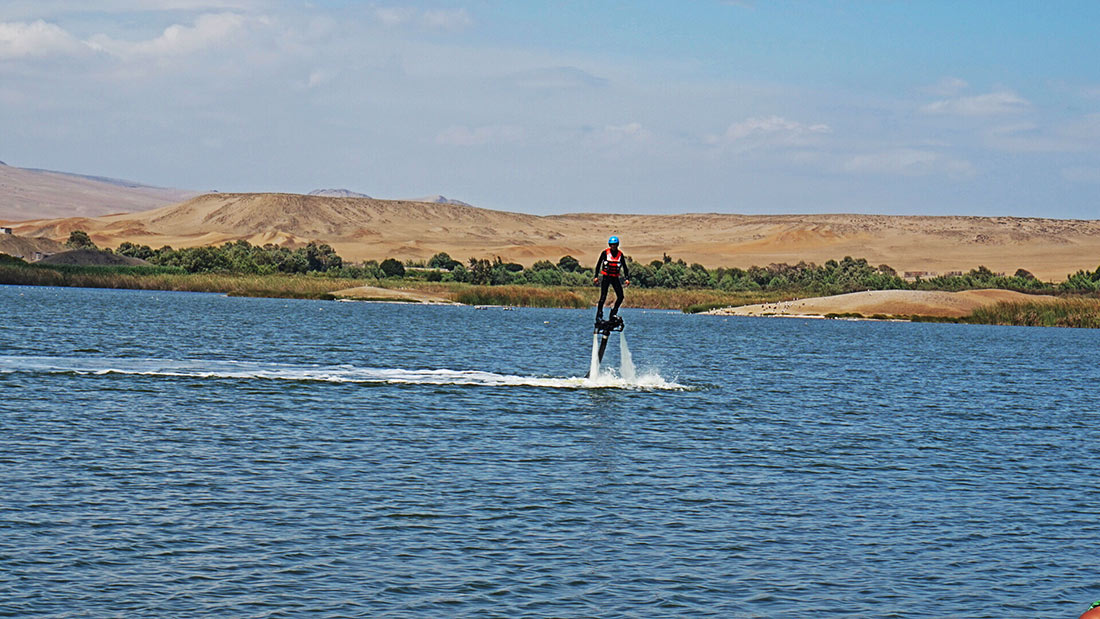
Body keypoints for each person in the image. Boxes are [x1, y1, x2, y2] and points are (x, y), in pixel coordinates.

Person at [593, 235, 630, 321]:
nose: (613, 246)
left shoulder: (620, 254)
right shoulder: (605, 253)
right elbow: (598, 265)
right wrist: (596, 276)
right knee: (603, 297)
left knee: (620, 296)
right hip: (606, 277)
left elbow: (624, 267)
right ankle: (599, 314)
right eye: (612, 245)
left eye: (615, 244)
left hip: (615, 278)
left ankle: (613, 313)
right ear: (609, 245)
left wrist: (627, 278)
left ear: (617, 245)